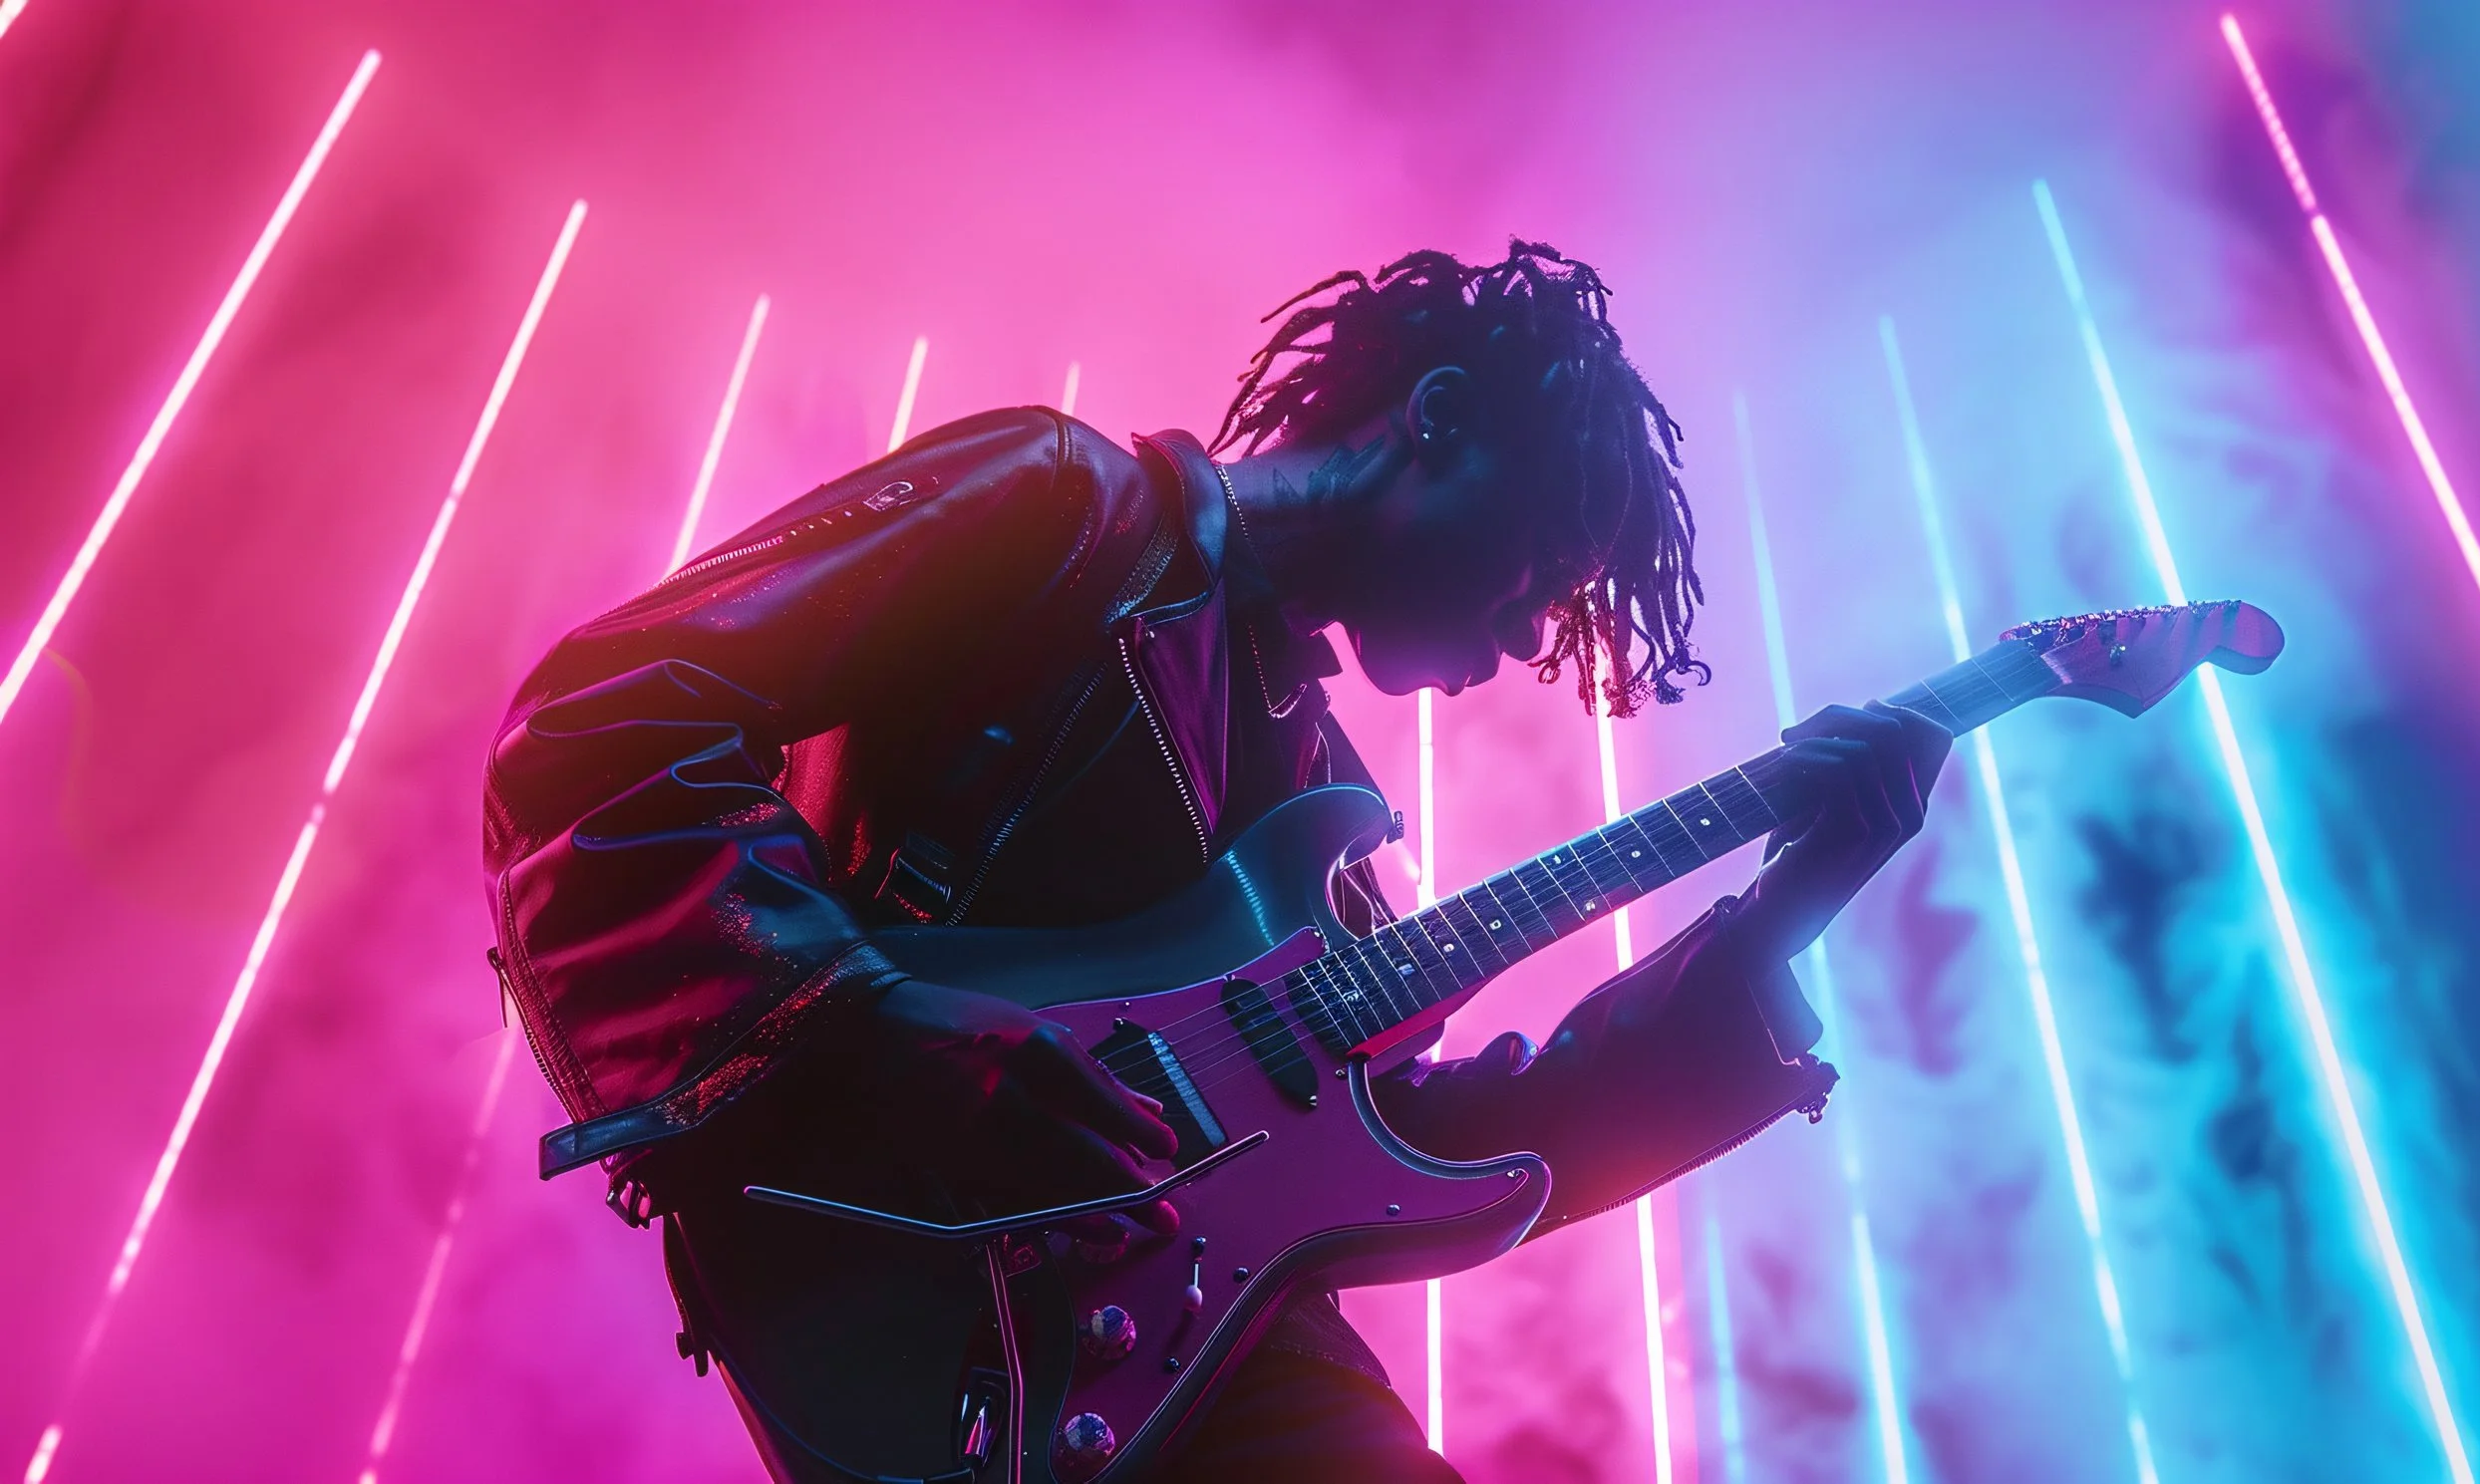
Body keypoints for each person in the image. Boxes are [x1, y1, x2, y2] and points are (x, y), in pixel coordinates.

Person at [482, 242, 1950, 1483]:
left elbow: (1424, 1156)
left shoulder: (1327, 800)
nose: (1523, 640)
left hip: (1195, 1339)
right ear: (1438, 418)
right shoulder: (1062, 510)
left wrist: (1776, 922)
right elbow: (601, 724)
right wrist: (883, 1032)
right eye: (1535, 572)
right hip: (917, 1273)